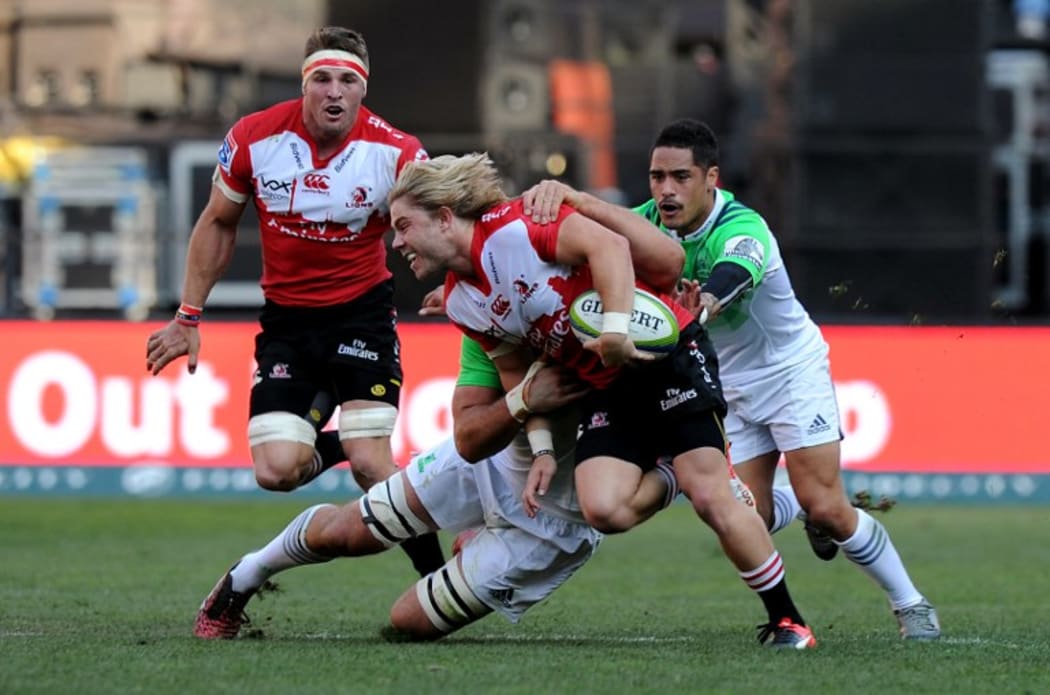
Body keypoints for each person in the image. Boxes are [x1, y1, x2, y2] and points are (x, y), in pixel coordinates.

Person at [523, 119, 940, 641]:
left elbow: (732, 274)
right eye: (656, 177)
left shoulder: (743, 226)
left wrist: (705, 304)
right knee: (750, 519)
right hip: (725, 383)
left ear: (711, 178)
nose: (666, 190)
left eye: (680, 177)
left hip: (789, 371)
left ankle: (911, 604)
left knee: (830, 508)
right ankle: (800, 506)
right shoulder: (641, 225)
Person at [388, 153, 817, 649]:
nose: (396, 242)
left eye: (403, 227)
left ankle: (788, 621)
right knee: (605, 511)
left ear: (444, 216)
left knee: (713, 498)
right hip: (606, 385)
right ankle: (673, 472)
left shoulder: (518, 228)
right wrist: (544, 450)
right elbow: (518, 380)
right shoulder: (464, 300)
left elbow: (611, 245)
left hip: (666, 355)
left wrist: (615, 331)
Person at [144, 26, 443, 577]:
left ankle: (439, 577)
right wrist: (188, 315)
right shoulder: (254, 139)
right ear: (305, 85)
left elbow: (435, 225)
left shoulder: (398, 152)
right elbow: (217, 222)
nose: (334, 92)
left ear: (363, 90)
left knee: (373, 464)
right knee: (277, 471)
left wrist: (451, 278)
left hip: (362, 313)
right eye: (322, 79)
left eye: (347, 81)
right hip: (288, 322)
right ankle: (340, 435)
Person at [195, 336, 681, 640]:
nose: (401, 244)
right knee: (344, 534)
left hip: (549, 526)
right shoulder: (486, 310)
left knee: (408, 623)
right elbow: (470, 436)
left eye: (407, 227)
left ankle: (480, 546)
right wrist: (524, 399)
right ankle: (246, 575)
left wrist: (679, 473)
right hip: (486, 463)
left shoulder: (623, 327)